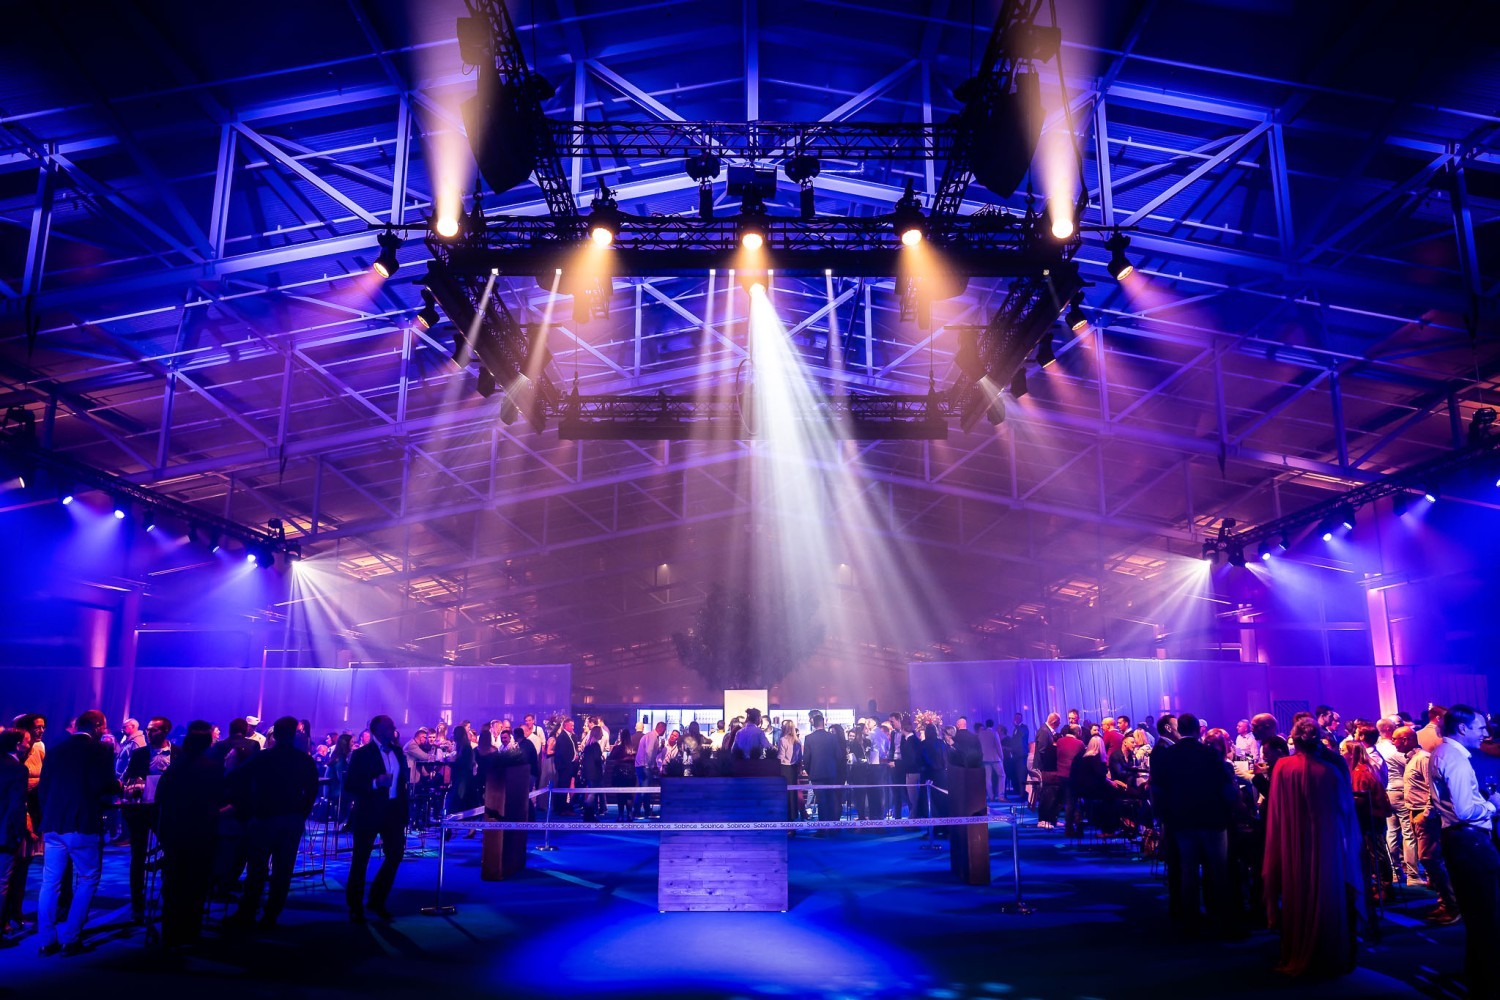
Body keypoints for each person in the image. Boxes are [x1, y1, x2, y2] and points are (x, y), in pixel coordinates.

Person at [1263, 717, 1362, 977]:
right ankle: (1330, 951)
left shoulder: (1283, 767)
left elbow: (1275, 811)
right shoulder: (1331, 770)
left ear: (1294, 739)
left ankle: (1298, 948)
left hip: (1294, 840)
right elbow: (1344, 810)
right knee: (1328, 890)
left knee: (1299, 889)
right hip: (1327, 840)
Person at [34, 710, 118, 956]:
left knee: (50, 883)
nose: (105, 730)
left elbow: (43, 789)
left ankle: (46, 940)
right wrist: (118, 786)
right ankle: (71, 938)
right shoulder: (100, 750)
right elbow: (101, 786)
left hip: (53, 824)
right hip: (83, 823)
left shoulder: (56, 749)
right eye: (104, 726)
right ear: (97, 726)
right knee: (88, 878)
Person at [1431, 704, 1500, 989]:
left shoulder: (1442, 752)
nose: (1485, 733)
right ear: (1462, 728)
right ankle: (1488, 981)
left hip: (1458, 840)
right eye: (1479, 727)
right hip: (1470, 841)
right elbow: (1464, 810)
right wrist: (1492, 806)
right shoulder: (1456, 759)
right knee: (1487, 915)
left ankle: (1479, 975)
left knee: (1477, 914)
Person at [229, 716, 319, 930]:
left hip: (265, 818)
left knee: (257, 869)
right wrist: (301, 813)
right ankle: (271, 916)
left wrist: (249, 808)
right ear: (295, 735)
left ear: (275, 734)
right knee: (283, 870)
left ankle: (247, 913)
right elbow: (312, 791)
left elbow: (236, 779)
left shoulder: (264, 757)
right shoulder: (304, 760)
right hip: (292, 819)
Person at [1149, 713, 1235, 932]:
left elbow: (1158, 788)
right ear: (1198, 730)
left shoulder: (1169, 755)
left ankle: (1191, 919)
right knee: (1218, 870)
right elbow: (1226, 786)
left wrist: (1163, 815)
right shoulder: (1210, 753)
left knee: (1188, 870)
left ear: (1180, 729)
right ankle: (1224, 918)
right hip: (1212, 818)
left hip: (1182, 819)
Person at [153, 720, 221, 948]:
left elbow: (160, 799)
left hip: (175, 831)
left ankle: (170, 931)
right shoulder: (212, 768)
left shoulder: (174, 768)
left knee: (173, 883)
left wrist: (162, 831)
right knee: (197, 883)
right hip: (201, 831)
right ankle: (191, 931)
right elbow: (216, 799)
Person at [345, 715, 408, 923]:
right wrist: (374, 783)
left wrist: (404, 812)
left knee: (396, 854)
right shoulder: (362, 754)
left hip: (393, 811)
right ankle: (355, 906)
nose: (393, 728)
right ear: (378, 730)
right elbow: (350, 785)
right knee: (360, 859)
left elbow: (402, 785)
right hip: (368, 811)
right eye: (389, 726)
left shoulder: (398, 752)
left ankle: (377, 899)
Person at [1400, 725, 1460, 924]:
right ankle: (1445, 903)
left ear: (1407, 739)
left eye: (1396, 739)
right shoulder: (1412, 759)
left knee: (1431, 859)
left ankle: (1452, 906)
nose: (1393, 742)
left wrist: (1426, 814)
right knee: (1429, 860)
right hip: (1416, 813)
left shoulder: (1423, 759)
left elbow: (1433, 789)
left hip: (1426, 816)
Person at [120, 715, 172, 922]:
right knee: (138, 855)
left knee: (170, 852)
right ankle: (137, 904)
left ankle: (168, 898)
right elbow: (130, 777)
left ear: (165, 731)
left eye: (154, 730)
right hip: (141, 809)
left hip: (166, 810)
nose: (149, 733)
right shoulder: (140, 753)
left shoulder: (177, 753)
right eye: (148, 729)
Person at [0, 729, 29, 946]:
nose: (29, 745)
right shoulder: (18, 769)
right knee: (2, 882)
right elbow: (17, 805)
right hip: (4, 833)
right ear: (18, 744)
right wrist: (19, 833)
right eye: (26, 741)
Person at [802, 711, 840, 827]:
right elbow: (839, 755)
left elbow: (806, 759)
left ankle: (823, 828)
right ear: (823, 723)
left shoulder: (809, 738)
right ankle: (832, 827)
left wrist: (810, 772)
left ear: (813, 723)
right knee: (830, 800)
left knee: (821, 802)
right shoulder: (832, 737)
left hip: (816, 774)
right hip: (831, 773)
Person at [1035, 713, 1061, 829]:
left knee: (1053, 795)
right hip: (1045, 769)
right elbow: (1043, 751)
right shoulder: (1044, 732)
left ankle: (1051, 819)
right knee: (1046, 795)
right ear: (1054, 722)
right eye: (1059, 722)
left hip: (1049, 769)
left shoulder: (1046, 731)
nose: (1059, 724)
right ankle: (1043, 820)